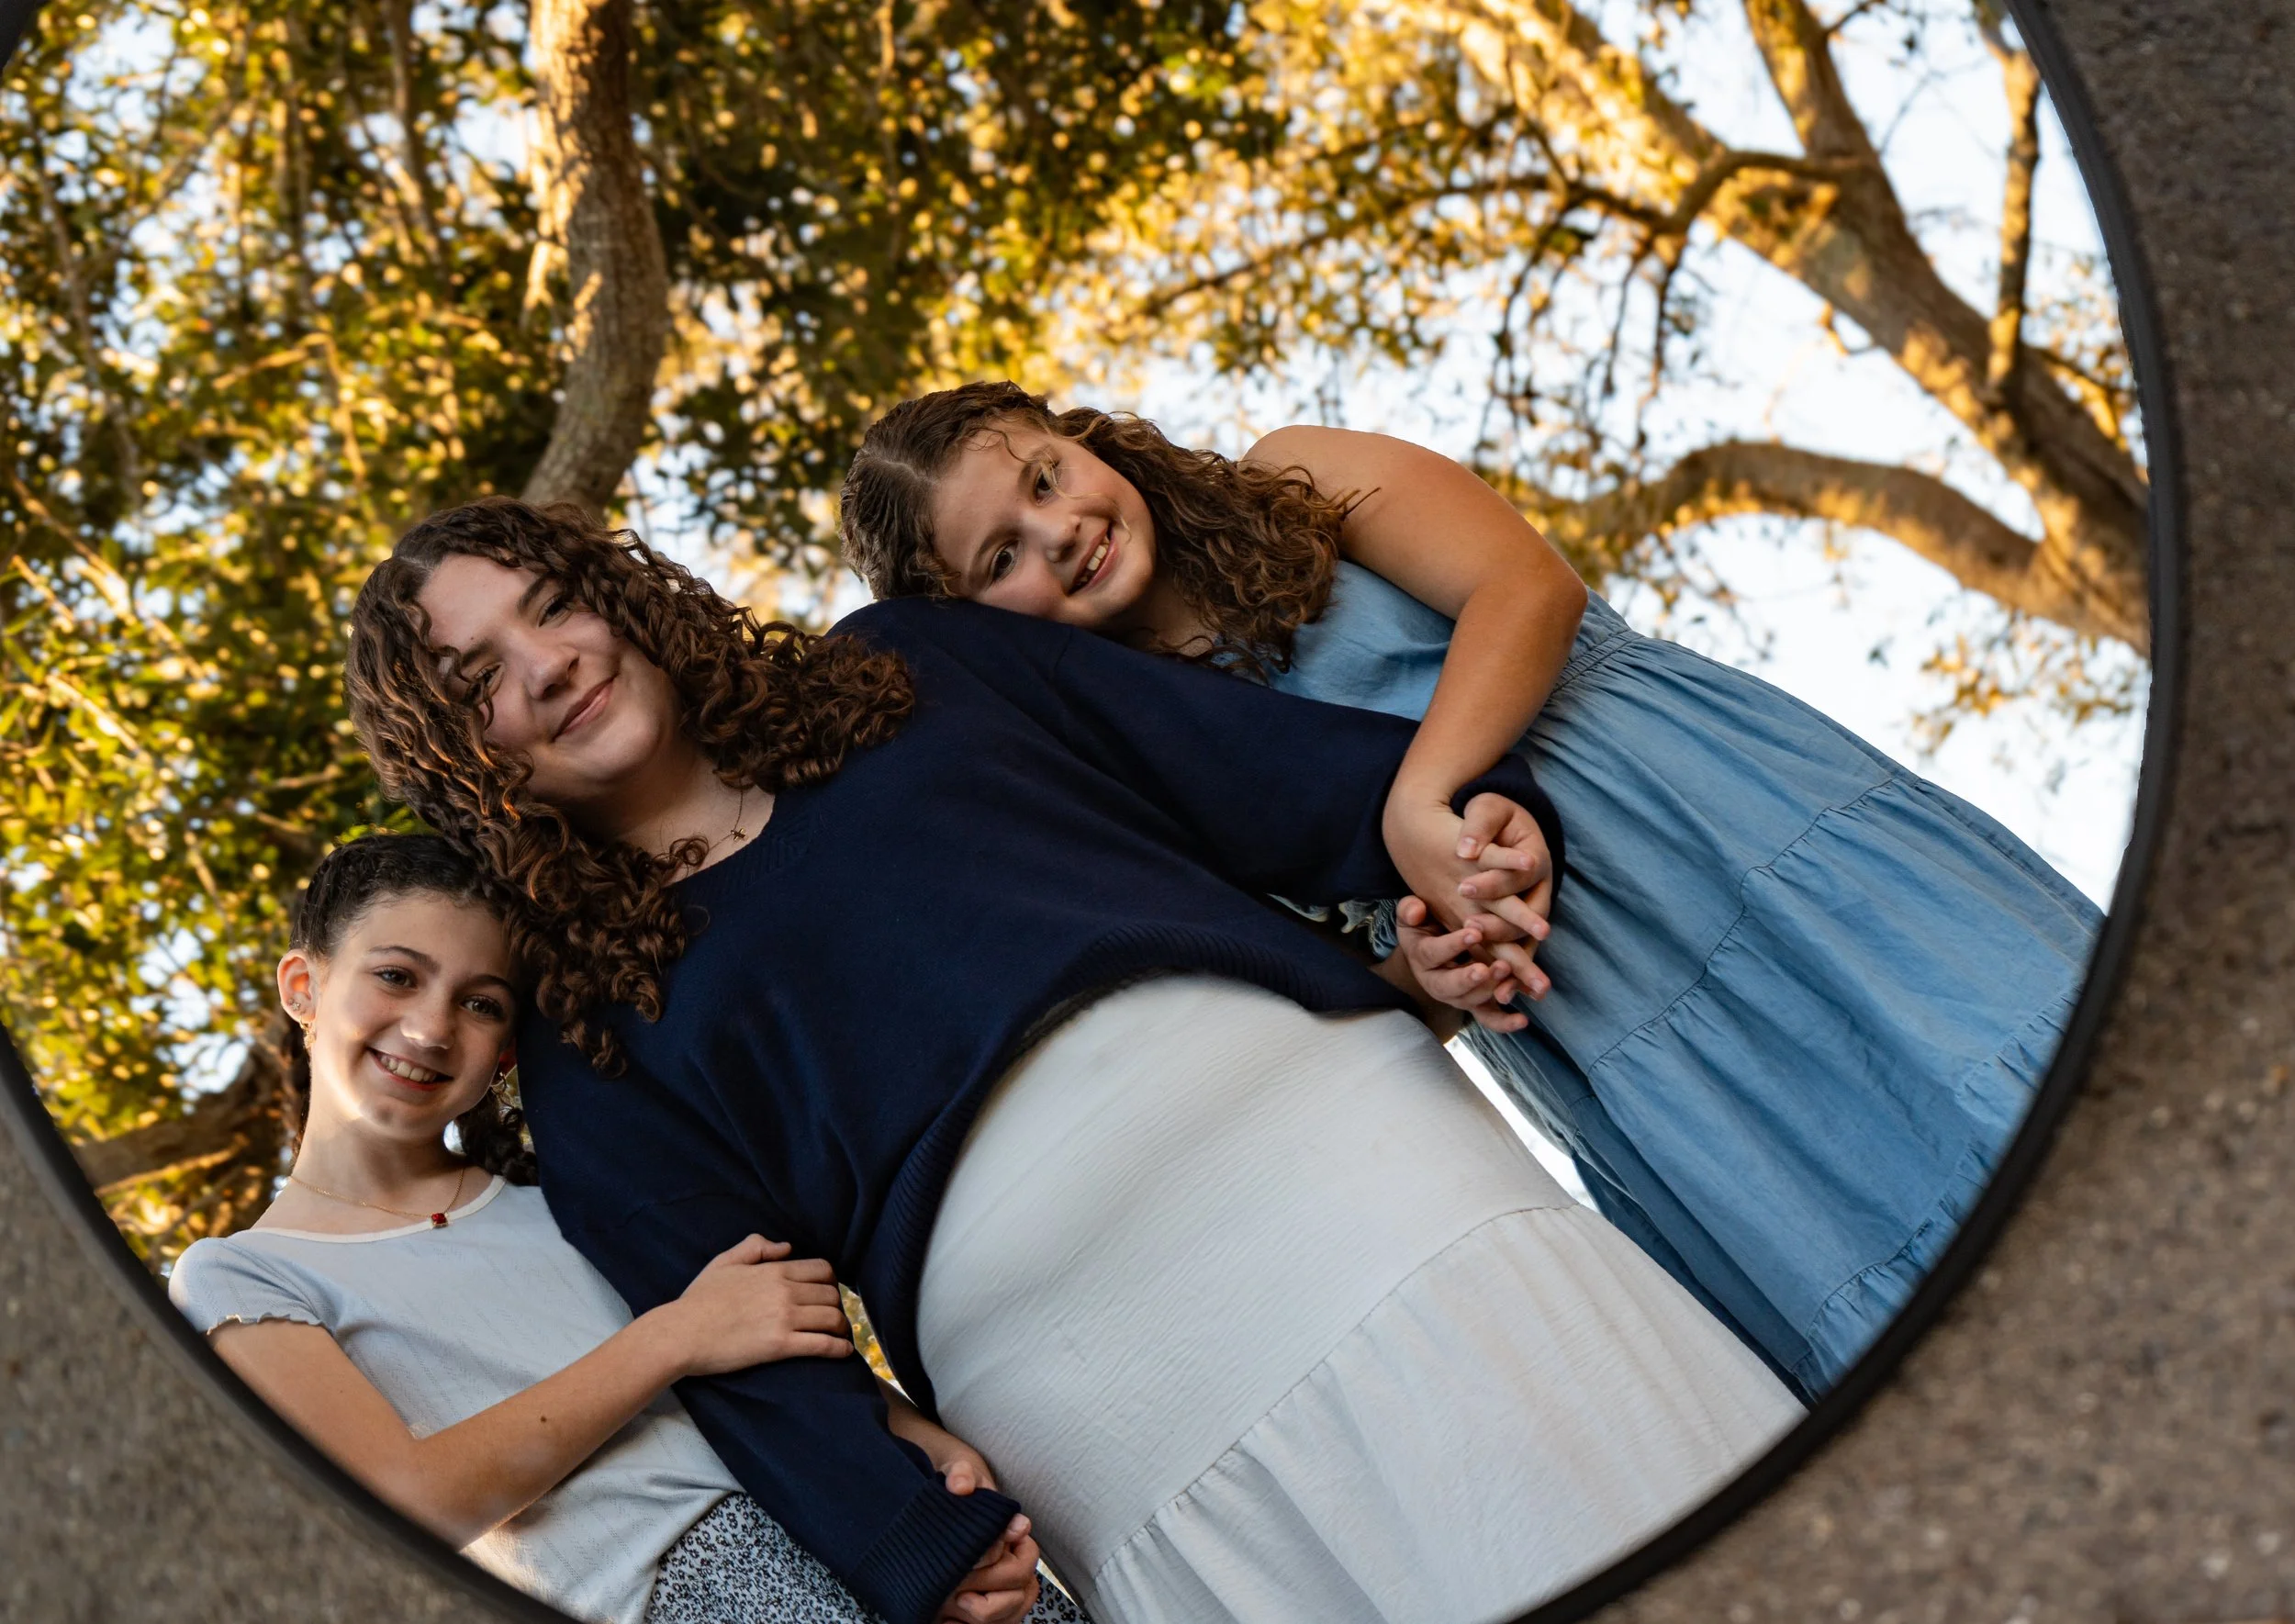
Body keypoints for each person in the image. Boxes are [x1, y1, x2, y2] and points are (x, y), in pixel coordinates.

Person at [342, 497, 1804, 1624]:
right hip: (1102, 1403)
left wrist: (1462, 819)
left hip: (1374, 1191)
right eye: (482, 682)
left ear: (614, 597)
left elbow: (1236, 768)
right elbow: (736, 1332)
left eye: (553, 608)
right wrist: (908, 1540)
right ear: (468, 762)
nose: (550, 667)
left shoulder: (912, 670)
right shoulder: (587, 1032)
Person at [838, 379, 2106, 1398]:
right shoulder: (1127, 773)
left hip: (1697, 814)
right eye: (1001, 553)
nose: (1059, 529)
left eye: (1045, 476)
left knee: (2008, 1078)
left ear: (1078, 437)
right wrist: (1415, 972)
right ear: (974, 626)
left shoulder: (1297, 472)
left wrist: (1416, 796)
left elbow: (1525, 586)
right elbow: (1302, 971)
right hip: (1594, 1013)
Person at [167, 833, 1069, 1624]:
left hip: (871, 1521)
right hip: (671, 1589)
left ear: (510, 1045)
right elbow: (407, 1500)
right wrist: (673, 1336)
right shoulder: (243, 1273)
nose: (433, 1026)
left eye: (482, 1002)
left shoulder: (571, 1191)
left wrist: (922, 1447)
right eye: (397, 975)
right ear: (303, 984)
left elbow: (773, 1333)